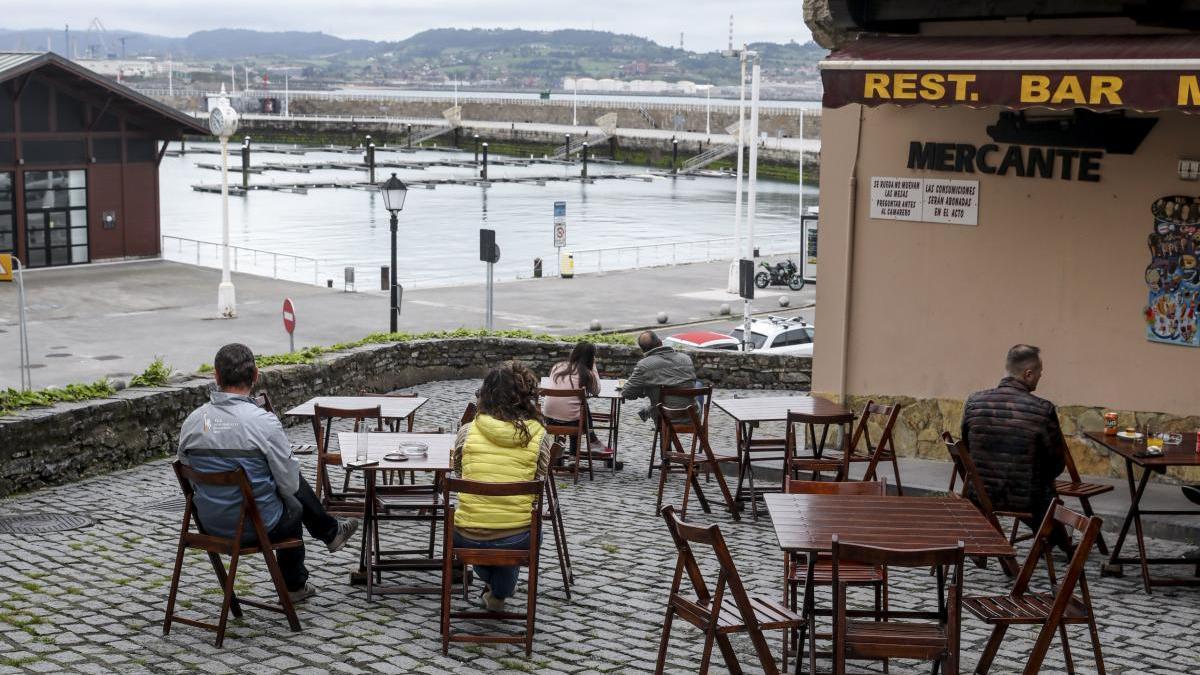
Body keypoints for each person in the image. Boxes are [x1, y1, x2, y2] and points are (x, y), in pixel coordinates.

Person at [178, 343, 360, 603]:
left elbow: (186, 465)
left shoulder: (196, 421)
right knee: (293, 504)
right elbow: (288, 483)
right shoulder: (261, 421)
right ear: (255, 376)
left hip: (209, 524)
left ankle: (331, 534)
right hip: (255, 526)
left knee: (284, 483)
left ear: (216, 377)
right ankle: (295, 583)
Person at [452, 362, 554, 611]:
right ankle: (500, 592)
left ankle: (495, 587)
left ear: (484, 394)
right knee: (523, 525)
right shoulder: (540, 436)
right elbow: (539, 479)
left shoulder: (467, 432)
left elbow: (459, 473)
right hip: (517, 538)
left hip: (466, 536)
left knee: (483, 532)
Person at [961, 344, 1068, 548]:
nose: (1039, 378)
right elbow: (1056, 464)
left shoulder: (974, 402)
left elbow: (966, 448)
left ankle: (1057, 537)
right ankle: (1060, 541)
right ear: (1028, 374)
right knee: (1047, 498)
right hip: (1029, 499)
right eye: (1039, 373)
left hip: (980, 497)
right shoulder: (1042, 409)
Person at [542, 341, 610, 456]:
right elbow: (596, 390)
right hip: (573, 423)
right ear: (591, 358)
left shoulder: (557, 367)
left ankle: (560, 456)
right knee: (580, 408)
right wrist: (593, 367)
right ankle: (579, 452)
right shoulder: (587, 374)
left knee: (575, 407)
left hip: (549, 420)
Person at [621, 330, 698, 421]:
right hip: (692, 415)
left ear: (642, 350)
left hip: (664, 417)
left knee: (655, 391)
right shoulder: (686, 359)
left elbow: (627, 392)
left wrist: (645, 390)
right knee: (698, 385)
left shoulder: (644, 365)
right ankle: (699, 431)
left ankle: (649, 411)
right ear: (661, 343)